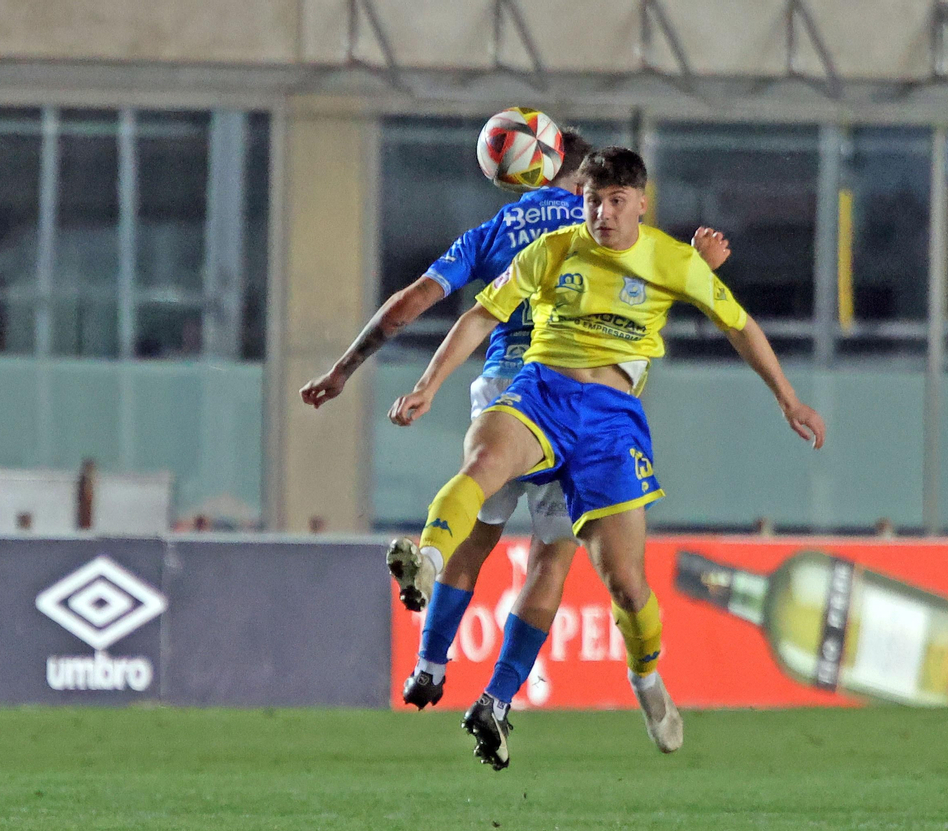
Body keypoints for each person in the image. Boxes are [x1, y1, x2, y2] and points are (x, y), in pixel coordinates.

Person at [386, 146, 826, 770]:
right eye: (593, 201)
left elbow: (739, 326)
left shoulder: (671, 261)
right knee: (480, 466)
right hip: (542, 392)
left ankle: (647, 682)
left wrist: (789, 400)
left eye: (616, 202)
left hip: (611, 425)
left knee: (625, 583)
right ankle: (426, 558)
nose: (602, 214)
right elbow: (481, 315)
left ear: (641, 204)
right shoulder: (555, 249)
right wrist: (430, 385)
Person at [299, 130, 730, 721]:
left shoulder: (498, 229)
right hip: (575, 394)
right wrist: (702, 266)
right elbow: (646, 294)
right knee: (550, 558)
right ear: (582, 180)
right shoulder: (610, 227)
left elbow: (409, 303)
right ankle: (498, 700)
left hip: (506, 388)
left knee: (473, 532)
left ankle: (430, 662)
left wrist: (346, 369)